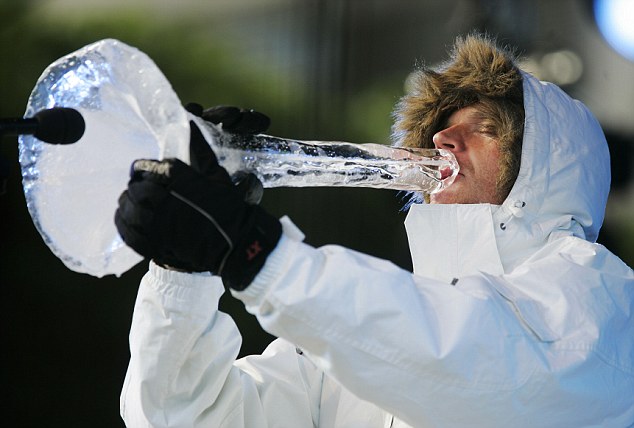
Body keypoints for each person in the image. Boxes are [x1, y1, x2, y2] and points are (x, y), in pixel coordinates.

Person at [115, 34, 634, 427]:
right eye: (441, 128)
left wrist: (256, 255)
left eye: (485, 128)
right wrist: (183, 270)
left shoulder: (600, 296)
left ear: (541, 166)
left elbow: (469, 363)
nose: (443, 138)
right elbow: (184, 416)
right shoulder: (359, 339)